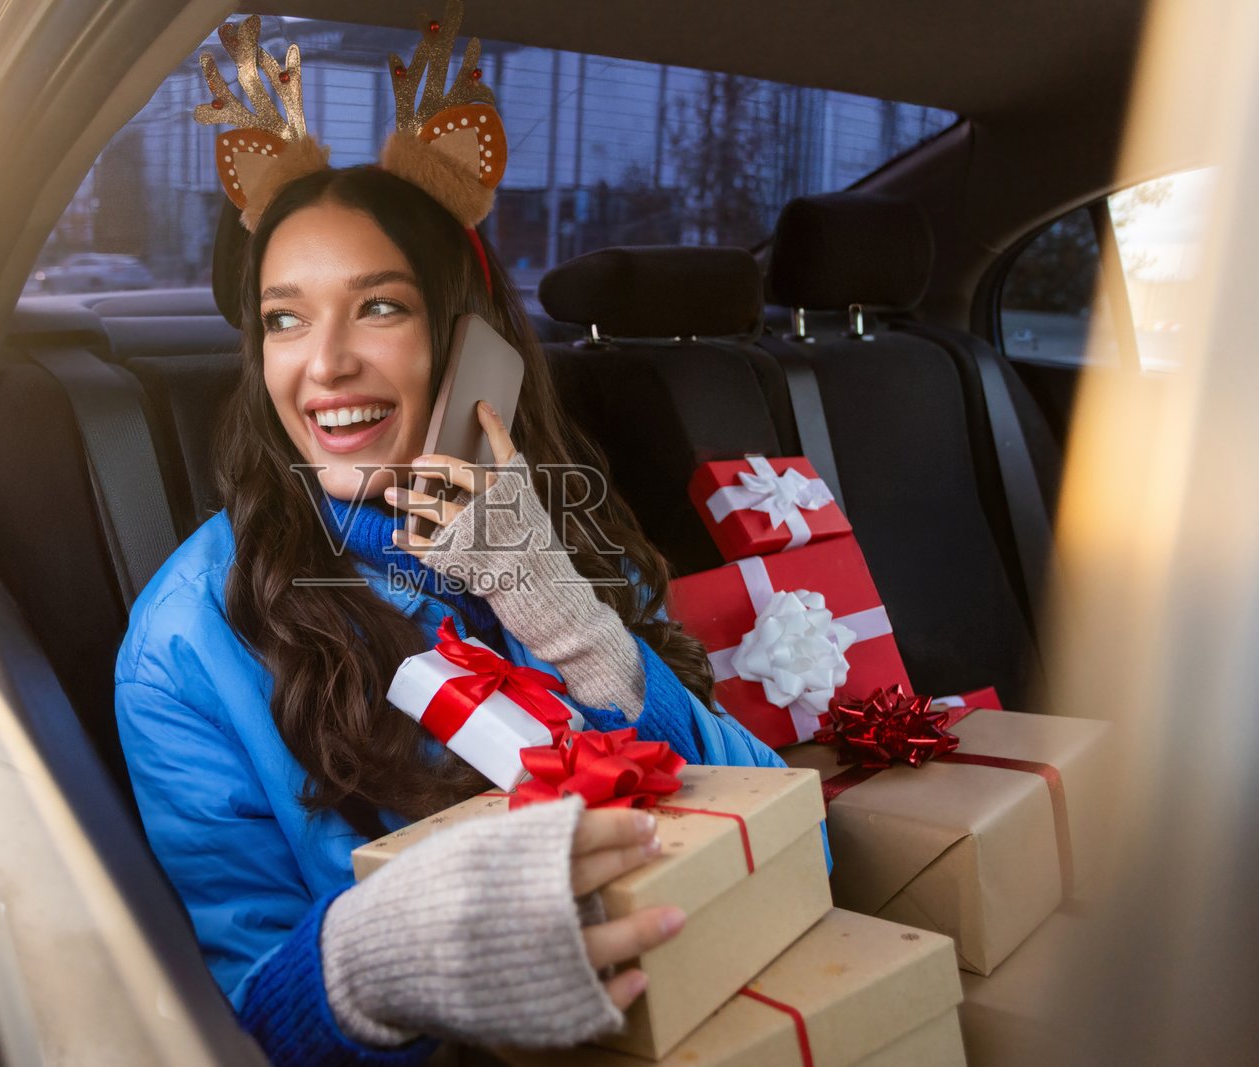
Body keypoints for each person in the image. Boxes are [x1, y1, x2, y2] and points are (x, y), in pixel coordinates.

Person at [114, 163, 797, 1066]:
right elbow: (239, 1027)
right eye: (285, 318)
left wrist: (565, 618)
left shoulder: (558, 530)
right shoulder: (183, 645)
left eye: (379, 307)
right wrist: (366, 965)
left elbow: (798, 845)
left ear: (470, 343)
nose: (325, 365)